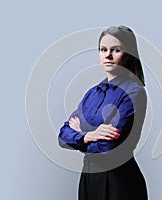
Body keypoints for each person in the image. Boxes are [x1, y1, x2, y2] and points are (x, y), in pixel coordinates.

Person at [58, 25, 148, 200]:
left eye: (116, 50)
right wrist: (88, 136)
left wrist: (79, 136)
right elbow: (62, 137)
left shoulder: (134, 92)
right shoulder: (92, 93)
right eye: (103, 49)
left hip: (119, 181)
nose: (108, 55)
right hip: (88, 178)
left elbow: (109, 147)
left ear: (129, 54)